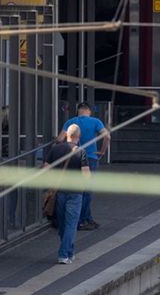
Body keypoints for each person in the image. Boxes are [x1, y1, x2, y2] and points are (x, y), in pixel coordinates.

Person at [44, 125, 90, 264]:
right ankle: (63, 254)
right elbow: (86, 175)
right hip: (75, 192)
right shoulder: (81, 152)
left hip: (59, 191)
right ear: (79, 137)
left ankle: (70, 251)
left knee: (63, 224)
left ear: (66, 135)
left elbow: (45, 168)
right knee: (71, 224)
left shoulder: (55, 149)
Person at [62, 102, 110, 231]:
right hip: (90, 158)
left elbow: (60, 139)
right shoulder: (95, 121)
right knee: (87, 190)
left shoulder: (70, 122)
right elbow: (107, 136)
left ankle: (80, 218)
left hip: (73, 158)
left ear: (78, 111)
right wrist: (102, 151)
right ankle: (83, 220)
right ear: (88, 111)